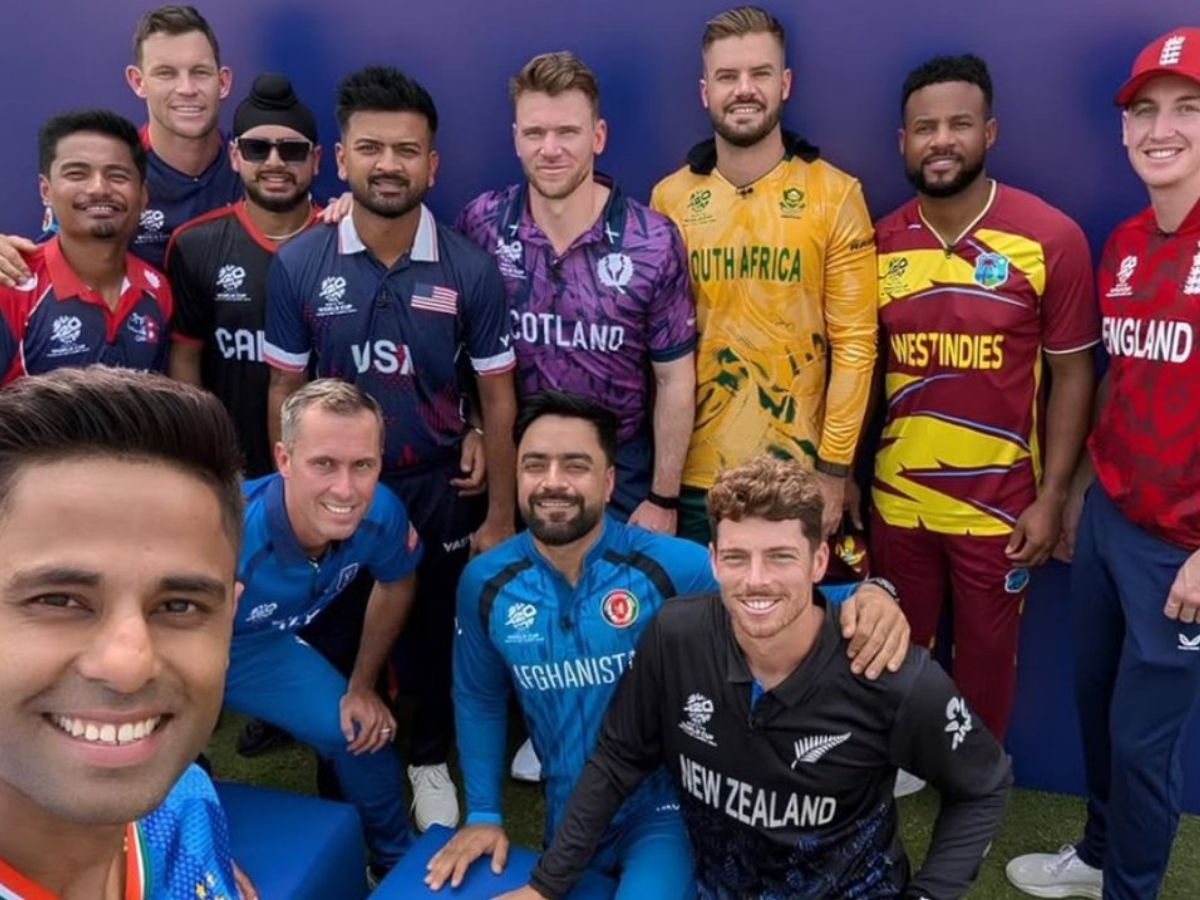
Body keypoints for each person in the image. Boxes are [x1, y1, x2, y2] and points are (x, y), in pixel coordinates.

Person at [425, 391, 912, 897]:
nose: (553, 482)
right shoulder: (485, 581)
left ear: (608, 482)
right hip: (571, 817)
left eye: (575, 465)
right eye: (535, 464)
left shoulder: (665, 565)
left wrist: (874, 592)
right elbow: (479, 696)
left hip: (664, 814)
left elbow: (776, 597)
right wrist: (484, 814)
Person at [506, 455, 1011, 900]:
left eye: (780, 556)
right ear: (713, 560)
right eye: (736, 557)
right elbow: (618, 757)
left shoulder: (886, 670)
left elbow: (983, 786)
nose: (756, 580)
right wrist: (546, 885)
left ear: (818, 560)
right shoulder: (674, 637)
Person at [263, 64, 519, 830]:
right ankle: (342, 770)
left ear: (431, 165)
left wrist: (499, 514)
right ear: (341, 158)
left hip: (437, 486)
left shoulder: (469, 268)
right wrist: (289, 494)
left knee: (434, 636)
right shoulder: (300, 262)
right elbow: (283, 389)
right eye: (370, 148)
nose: (388, 165)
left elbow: (498, 397)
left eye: (406, 150)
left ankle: (429, 758)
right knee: (334, 637)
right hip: (336, 491)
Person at [1006, 27, 1200, 900]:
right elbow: (1121, 380)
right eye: (1146, 111)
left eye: (1188, 109)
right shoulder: (1123, 242)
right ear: (1124, 130)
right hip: (1114, 519)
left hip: (1183, 549)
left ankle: (1131, 889)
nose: (1162, 129)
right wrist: (1081, 486)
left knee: (1142, 744)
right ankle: (1095, 855)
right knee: (1095, 707)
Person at [870, 54, 1099, 752]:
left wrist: (1053, 496)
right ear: (902, 141)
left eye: (959, 124)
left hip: (1001, 509)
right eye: (925, 128)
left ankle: (976, 783)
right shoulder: (877, 242)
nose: (941, 140)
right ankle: (903, 764)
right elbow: (858, 372)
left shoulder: (1049, 238)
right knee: (894, 650)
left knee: (987, 663)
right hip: (898, 500)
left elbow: (1074, 375)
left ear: (989, 133)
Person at [0, 366, 243, 899]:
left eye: (178, 605)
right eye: (58, 600)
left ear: (229, 621)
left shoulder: (188, 803)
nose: (128, 665)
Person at [650, 5, 877, 543]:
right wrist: (662, 486)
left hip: (797, 477)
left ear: (785, 84)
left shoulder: (835, 194)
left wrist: (834, 469)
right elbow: (656, 353)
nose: (744, 90)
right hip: (695, 479)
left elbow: (856, 345)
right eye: (728, 76)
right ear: (705, 91)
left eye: (760, 73)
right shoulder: (669, 200)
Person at [456, 51, 696, 531]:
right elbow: (452, 337)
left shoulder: (652, 240)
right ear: (516, 139)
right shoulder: (482, 224)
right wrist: (476, 426)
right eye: (535, 133)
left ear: (598, 136)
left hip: (619, 473)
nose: (550, 149)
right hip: (515, 468)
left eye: (567, 132)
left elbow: (674, 379)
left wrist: (663, 497)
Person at [226, 379, 422, 882]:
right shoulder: (227, 534)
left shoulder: (380, 512)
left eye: (363, 465)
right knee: (157, 763)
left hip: (257, 646)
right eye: (324, 464)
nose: (346, 489)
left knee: (361, 731)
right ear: (284, 459)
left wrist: (361, 685)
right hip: (180, 656)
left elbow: (396, 582)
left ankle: (394, 864)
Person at [0, 4, 239, 281]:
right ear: (138, 82)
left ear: (223, 82)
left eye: (200, 72)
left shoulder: (259, 162)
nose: (186, 89)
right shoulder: (109, 173)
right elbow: (42, 263)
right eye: (166, 73)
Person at [168, 71, 322, 478]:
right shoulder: (194, 244)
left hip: (327, 468)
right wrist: (201, 452)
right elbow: (185, 358)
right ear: (235, 156)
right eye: (257, 148)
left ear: (317, 160)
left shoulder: (344, 237)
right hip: (229, 468)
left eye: (292, 150)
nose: (274, 163)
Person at [0, 110, 172, 384]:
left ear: (143, 195)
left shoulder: (157, 290)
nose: (98, 188)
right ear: (46, 190)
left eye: (117, 176)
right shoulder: (10, 286)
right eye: (77, 174)